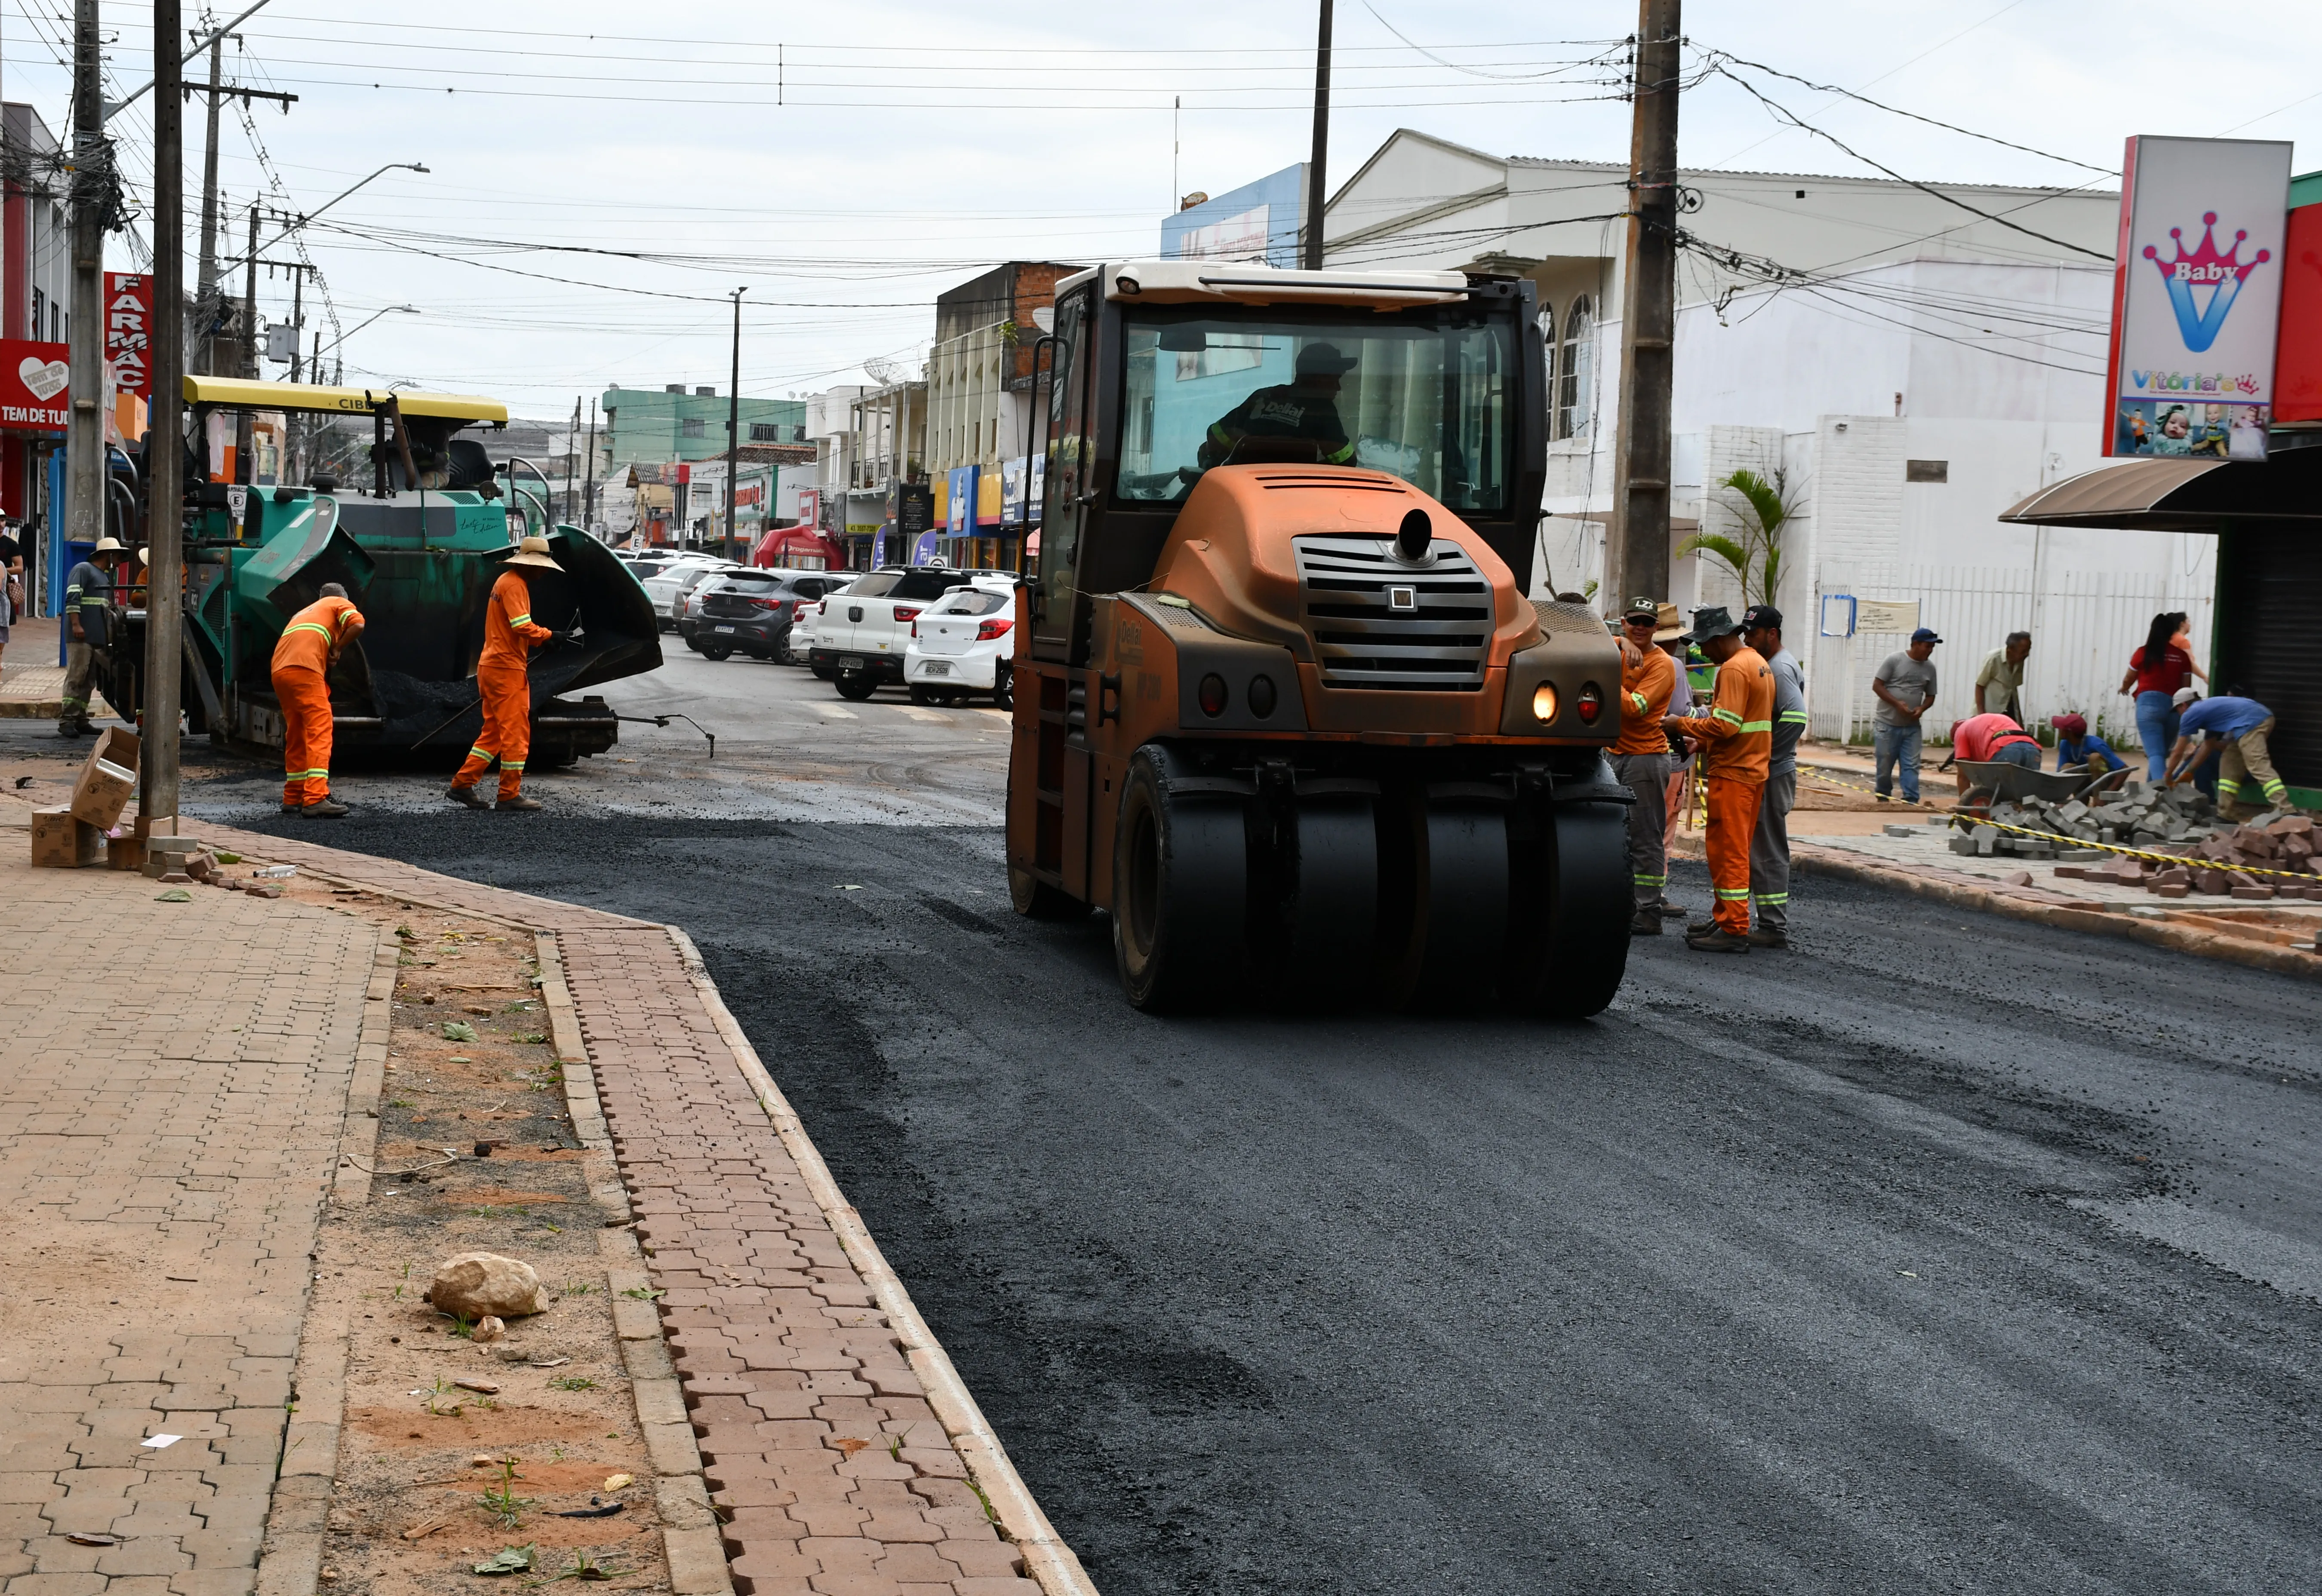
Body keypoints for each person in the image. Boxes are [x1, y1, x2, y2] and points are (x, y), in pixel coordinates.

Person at [1662, 605, 1774, 954]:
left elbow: (1725, 724)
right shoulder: (1757, 663)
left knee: (1729, 852)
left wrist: (1679, 725)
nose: (1702, 652)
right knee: (1729, 849)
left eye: (1704, 644)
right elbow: (1741, 723)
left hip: (1735, 773)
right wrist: (1704, 742)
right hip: (1749, 770)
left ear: (1718, 638)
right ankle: (1726, 916)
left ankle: (1734, 926)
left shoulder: (1734, 669)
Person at [447, 535, 560, 812]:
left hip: (494, 666)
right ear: (529, 564)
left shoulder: (507, 581)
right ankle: (509, 794)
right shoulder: (515, 585)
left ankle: (463, 784)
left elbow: (514, 628)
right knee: (516, 734)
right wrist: (549, 636)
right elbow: (521, 625)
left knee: (494, 734)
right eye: (542, 565)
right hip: (505, 668)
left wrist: (544, 638)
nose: (545, 571)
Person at [1611, 596, 1681, 936]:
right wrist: (1618, 644)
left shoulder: (1662, 665)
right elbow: (1589, 634)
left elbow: (1634, 708)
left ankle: (1649, 910)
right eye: (1634, 622)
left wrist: (1604, 676)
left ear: (1657, 628)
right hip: (1614, 754)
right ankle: (1626, 904)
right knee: (1614, 835)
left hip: (1646, 758)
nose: (1640, 628)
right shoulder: (1616, 647)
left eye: (1647, 623)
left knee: (1644, 834)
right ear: (1624, 622)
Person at [271, 583, 365, 818]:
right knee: (320, 728)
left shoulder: (303, 612)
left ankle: (293, 796)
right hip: (305, 668)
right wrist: (338, 648)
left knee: (297, 732)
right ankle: (315, 798)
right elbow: (358, 624)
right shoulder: (337, 602)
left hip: (280, 671)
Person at [1742, 604, 1805, 949]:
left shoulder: (1779, 669)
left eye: (1753, 634)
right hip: (1769, 769)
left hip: (1773, 772)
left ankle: (1772, 925)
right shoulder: (1769, 664)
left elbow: (1795, 718)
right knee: (1755, 846)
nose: (1748, 640)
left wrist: (1766, 756)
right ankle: (1742, 915)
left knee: (1767, 849)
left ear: (1772, 634)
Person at [1197, 342, 1357, 468]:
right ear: (1318, 378)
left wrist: (1246, 448)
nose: (1338, 387)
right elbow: (1346, 460)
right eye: (1334, 379)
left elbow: (1216, 436)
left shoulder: (1264, 396)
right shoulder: (1322, 410)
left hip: (1245, 492)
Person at [2163, 688, 2291, 815]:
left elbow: (2178, 752)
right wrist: (2190, 771)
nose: (2179, 714)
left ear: (2184, 705)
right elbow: (2208, 746)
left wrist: (2167, 777)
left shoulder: (2190, 713)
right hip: (2254, 719)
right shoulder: (2208, 711)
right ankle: (2226, 813)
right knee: (2229, 763)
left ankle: (2286, 809)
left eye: (2177, 710)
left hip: (2253, 722)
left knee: (2257, 765)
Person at [2120, 611, 2205, 782]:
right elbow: (2185, 688)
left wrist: (2125, 688)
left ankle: (2162, 789)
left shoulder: (2143, 653)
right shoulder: (2181, 657)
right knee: (2159, 754)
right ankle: (2152, 794)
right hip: (2174, 707)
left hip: (2148, 705)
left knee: (2155, 754)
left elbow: (2130, 677)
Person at [59, 537, 129, 737]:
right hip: (81, 635)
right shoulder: (83, 569)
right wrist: (76, 624)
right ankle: (67, 720)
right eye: (117, 556)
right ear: (108, 555)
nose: (120, 561)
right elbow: (73, 597)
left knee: (89, 680)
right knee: (76, 677)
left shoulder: (104, 576)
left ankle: (81, 718)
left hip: (96, 637)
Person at [1871, 627, 1941, 803]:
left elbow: (1931, 696)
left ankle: (1911, 798)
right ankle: (1883, 795)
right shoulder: (1894, 660)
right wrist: (1897, 703)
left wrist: (1922, 708)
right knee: (1885, 765)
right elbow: (1878, 686)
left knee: (1912, 764)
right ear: (1916, 644)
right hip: (1887, 724)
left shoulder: (1930, 668)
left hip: (1911, 727)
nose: (1930, 650)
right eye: (1927, 646)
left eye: (1932, 647)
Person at [1950, 711, 2044, 797]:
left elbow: (1963, 776)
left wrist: (1963, 806)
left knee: (1998, 801)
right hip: (2032, 749)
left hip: (2004, 749)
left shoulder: (1960, 732)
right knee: (2029, 799)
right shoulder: (1985, 722)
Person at [1975, 631, 2030, 721]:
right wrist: (1982, 716)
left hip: (2008, 711)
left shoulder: (2019, 661)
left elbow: (2013, 690)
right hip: (1990, 712)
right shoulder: (1994, 658)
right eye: (2023, 651)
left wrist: (2019, 720)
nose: (2027, 654)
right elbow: (1980, 685)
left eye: (2028, 650)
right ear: (2011, 649)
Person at [2049, 712, 2125, 774]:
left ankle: (2098, 793)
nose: (2059, 730)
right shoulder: (2065, 744)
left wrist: (2109, 792)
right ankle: (2082, 793)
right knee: (2066, 768)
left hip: (2104, 782)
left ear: (2069, 733)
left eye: (2061, 728)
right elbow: (2060, 772)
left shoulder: (2096, 744)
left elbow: (2124, 770)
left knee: (2094, 758)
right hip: (2086, 781)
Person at [0, 519, 21, 685]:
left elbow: (20, 567)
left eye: (2, 520)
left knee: (2, 632)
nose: (1, 524)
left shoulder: (10, 544)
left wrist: (2, 569)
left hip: (3, 592)